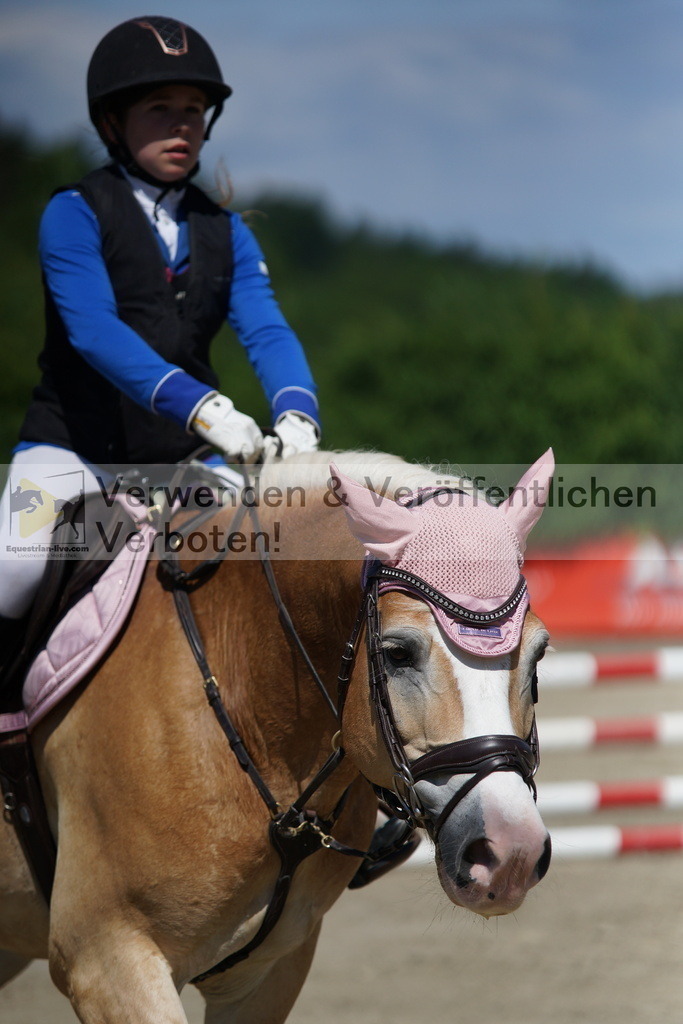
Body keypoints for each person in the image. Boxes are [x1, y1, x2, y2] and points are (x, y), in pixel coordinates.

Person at [0, 16, 320, 658]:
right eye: (160, 109)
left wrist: (298, 412)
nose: (182, 125)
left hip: (187, 459)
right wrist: (203, 407)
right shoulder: (74, 212)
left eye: (195, 111)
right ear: (112, 122)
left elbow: (266, 328)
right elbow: (92, 331)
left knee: (277, 552)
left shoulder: (227, 232)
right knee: (15, 570)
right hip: (75, 451)